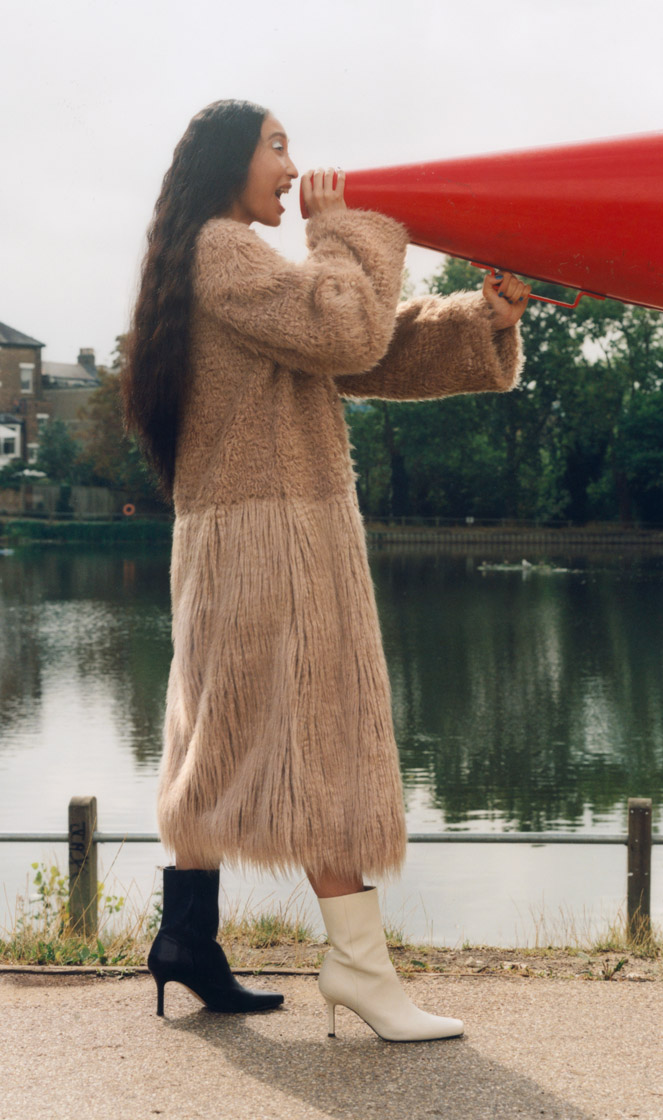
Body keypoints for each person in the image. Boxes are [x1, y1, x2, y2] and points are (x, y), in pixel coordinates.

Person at [122, 99, 528, 1041]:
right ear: (229, 161)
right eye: (276, 146)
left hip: (238, 532)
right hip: (278, 536)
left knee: (219, 734)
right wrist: (345, 232)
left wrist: (484, 316)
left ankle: (186, 938)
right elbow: (344, 327)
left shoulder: (214, 259)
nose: (294, 166)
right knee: (320, 740)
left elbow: (361, 351)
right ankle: (358, 967)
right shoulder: (225, 250)